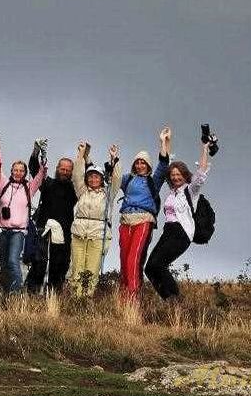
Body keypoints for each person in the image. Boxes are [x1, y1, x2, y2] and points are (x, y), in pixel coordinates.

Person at [144, 139, 211, 300]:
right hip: (168, 231)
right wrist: (164, 142)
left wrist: (205, 149)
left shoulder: (190, 190)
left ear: (185, 175)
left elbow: (201, 173)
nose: (175, 177)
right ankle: (168, 299)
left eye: (179, 174)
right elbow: (166, 162)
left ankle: (177, 299)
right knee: (149, 268)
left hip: (181, 232)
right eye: (173, 175)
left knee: (159, 264)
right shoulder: (172, 192)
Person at [117, 126, 171, 298]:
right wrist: (112, 161)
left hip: (143, 220)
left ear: (148, 165)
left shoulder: (152, 182)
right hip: (126, 220)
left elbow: (163, 166)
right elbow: (112, 179)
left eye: (143, 162)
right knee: (124, 260)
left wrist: (163, 142)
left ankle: (133, 299)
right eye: (137, 162)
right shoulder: (128, 179)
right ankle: (123, 300)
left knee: (134, 259)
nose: (140, 165)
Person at [0, 138, 47, 294]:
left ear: (25, 173)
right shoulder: (3, 184)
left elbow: (41, 174)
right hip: (1, 231)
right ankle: (6, 294)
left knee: (12, 261)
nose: (18, 173)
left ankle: (17, 295)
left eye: (21, 170)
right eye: (15, 170)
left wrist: (42, 155)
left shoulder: (29, 188)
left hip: (19, 231)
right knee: (4, 264)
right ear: (11, 171)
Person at [68, 142, 121, 296]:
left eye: (96, 176)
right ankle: (76, 298)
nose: (93, 179)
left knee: (92, 268)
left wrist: (114, 159)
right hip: (79, 233)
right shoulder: (82, 191)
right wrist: (80, 155)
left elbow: (116, 178)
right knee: (77, 267)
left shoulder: (108, 193)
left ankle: (88, 297)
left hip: (98, 235)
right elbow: (77, 174)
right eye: (90, 176)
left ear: (101, 178)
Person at [26, 140, 77, 295]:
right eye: (62, 169)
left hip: (65, 231)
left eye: (68, 170)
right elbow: (35, 170)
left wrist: (84, 157)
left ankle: (54, 296)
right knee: (39, 262)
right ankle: (32, 293)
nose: (65, 172)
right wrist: (36, 152)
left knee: (60, 264)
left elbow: (84, 177)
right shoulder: (48, 183)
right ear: (57, 169)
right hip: (43, 227)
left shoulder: (74, 190)